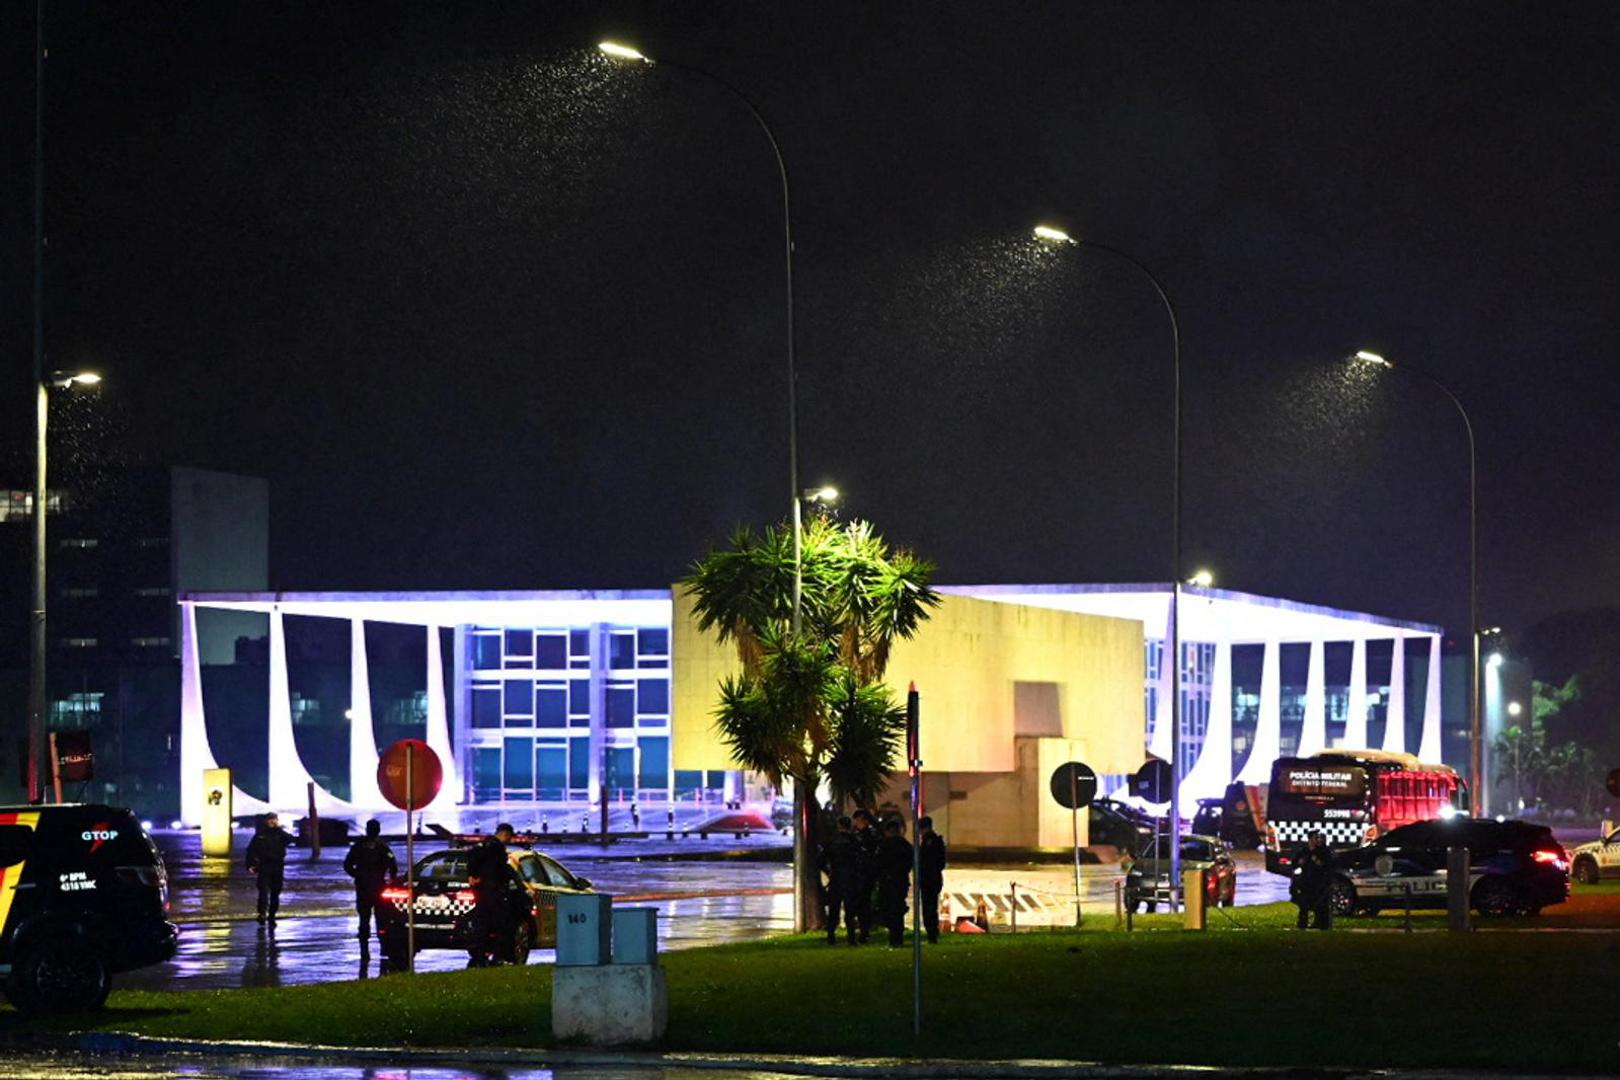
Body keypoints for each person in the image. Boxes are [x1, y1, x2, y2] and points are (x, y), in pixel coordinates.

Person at [466, 822, 517, 965]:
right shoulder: (497, 848)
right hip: (493, 891)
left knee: (482, 925)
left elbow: (472, 858)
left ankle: (479, 955)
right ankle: (498, 957)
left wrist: (472, 875)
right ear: (505, 834)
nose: (509, 840)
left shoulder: (483, 845)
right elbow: (502, 870)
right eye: (509, 837)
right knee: (501, 925)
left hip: (482, 892)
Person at [343, 819, 398, 943]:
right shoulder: (382, 846)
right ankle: (381, 936)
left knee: (364, 914)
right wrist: (392, 880)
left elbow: (347, 865)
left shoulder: (359, 845)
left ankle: (364, 934)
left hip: (363, 885)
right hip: (378, 885)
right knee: (380, 915)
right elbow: (393, 865)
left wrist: (357, 875)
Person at [245, 813, 294, 925]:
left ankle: (272, 915)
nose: (272, 822)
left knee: (275, 893)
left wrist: (279, 830)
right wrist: (250, 865)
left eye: (274, 820)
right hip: (264, 867)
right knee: (263, 892)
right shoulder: (260, 835)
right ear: (266, 821)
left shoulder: (280, 834)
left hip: (278, 867)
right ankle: (262, 914)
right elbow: (251, 851)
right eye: (270, 820)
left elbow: (291, 839)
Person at [875, 818, 914, 947]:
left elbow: (878, 863)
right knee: (898, 909)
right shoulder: (906, 845)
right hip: (901, 881)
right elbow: (910, 863)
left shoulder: (885, 845)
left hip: (887, 882)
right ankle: (898, 937)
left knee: (889, 909)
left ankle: (893, 938)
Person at [821, 815, 860, 944]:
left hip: (836, 878)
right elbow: (861, 860)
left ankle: (831, 936)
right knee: (850, 909)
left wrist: (829, 872)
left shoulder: (832, 841)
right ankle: (851, 938)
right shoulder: (855, 841)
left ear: (839, 826)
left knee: (834, 909)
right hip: (851, 878)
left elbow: (821, 859)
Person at [1292, 830, 1335, 930]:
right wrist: (1299, 863)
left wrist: (1317, 861)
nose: (1318, 840)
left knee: (1320, 904)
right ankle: (1302, 923)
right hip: (1305, 882)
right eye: (1316, 838)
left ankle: (1321, 923)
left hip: (1318, 882)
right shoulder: (1304, 851)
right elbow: (1294, 864)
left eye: (1319, 838)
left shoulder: (1322, 851)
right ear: (1310, 839)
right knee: (1304, 904)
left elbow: (1326, 865)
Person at [849, 809, 880, 943]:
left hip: (864, 875)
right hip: (862, 874)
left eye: (858, 820)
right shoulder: (860, 835)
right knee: (862, 904)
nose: (857, 823)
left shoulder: (867, 835)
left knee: (863, 904)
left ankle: (863, 932)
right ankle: (863, 931)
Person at [918, 816, 947, 944]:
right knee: (931, 906)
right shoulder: (936, 840)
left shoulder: (929, 841)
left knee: (928, 907)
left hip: (928, 878)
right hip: (934, 878)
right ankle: (932, 934)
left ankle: (932, 934)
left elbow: (926, 861)